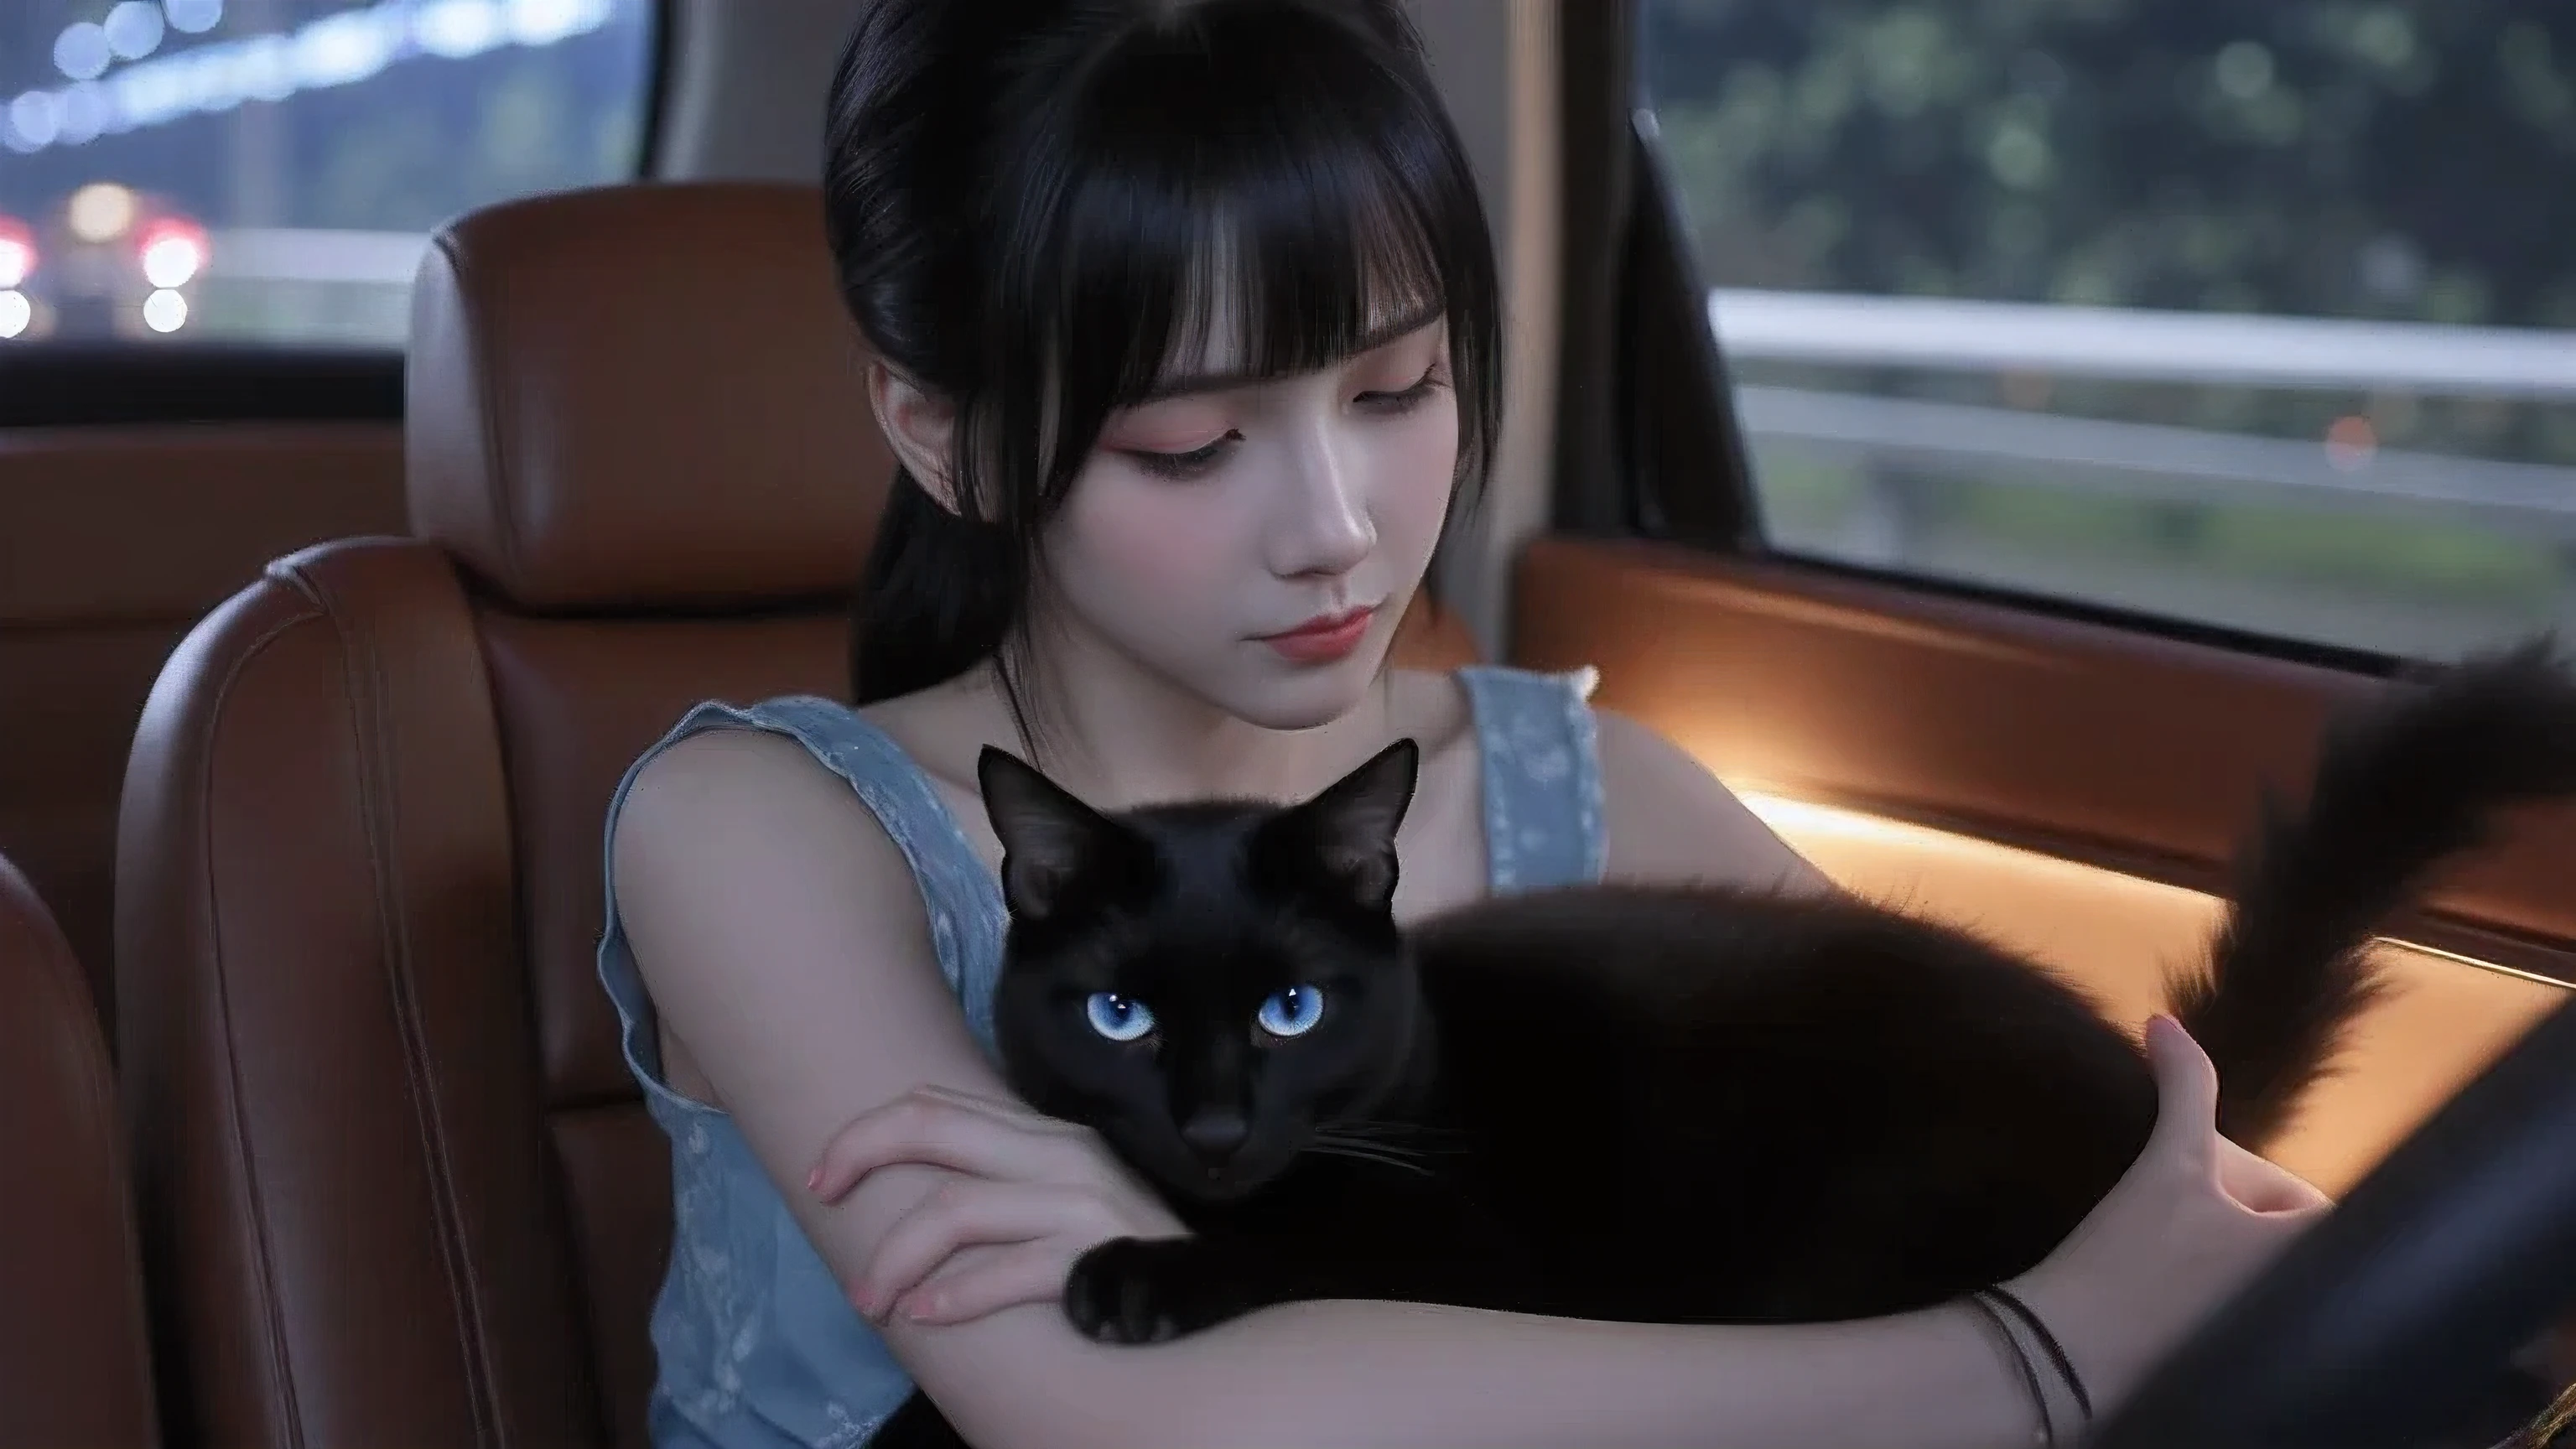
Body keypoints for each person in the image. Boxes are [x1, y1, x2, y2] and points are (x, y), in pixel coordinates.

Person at [596, 1, 2329, 1446]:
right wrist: (2028, 1354)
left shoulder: (1598, 794)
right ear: (944, 434)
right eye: (1194, 447)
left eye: (1398, 389)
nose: (1339, 526)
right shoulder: (764, 832)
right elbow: (1122, 1417)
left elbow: (2187, 1222)